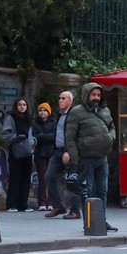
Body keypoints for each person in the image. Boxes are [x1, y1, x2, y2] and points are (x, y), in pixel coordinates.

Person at [64, 84, 117, 229]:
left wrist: (111, 137)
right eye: (93, 95)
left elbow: (112, 126)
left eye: (98, 95)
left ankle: (102, 220)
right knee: (89, 191)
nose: (96, 98)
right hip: (86, 158)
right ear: (87, 95)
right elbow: (70, 137)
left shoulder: (104, 110)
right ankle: (89, 222)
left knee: (102, 191)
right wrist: (75, 159)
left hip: (102, 157)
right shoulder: (76, 112)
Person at [44, 89, 77, 219]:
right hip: (57, 151)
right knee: (49, 176)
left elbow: (73, 134)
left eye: (63, 98)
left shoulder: (73, 115)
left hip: (68, 151)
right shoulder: (60, 115)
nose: (60, 101)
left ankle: (75, 210)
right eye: (60, 98)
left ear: (70, 101)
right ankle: (58, 205)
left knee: (72, 180)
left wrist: (68, 151)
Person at [2, 96, 37, 212]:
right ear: (16, 106)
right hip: (15, 152)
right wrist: (15, 138)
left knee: (26, 179)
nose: (22, 107)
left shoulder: (29, 119)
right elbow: (5, 135)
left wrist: (33, 141)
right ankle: (12, 204)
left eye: (24, 105)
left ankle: (23, 204)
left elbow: (32, 134)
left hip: (27, 152)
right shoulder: (11, 118)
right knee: (15, 178)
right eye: (20, 105)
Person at [31, 101, 58, 210]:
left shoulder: (54, 122)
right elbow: (35, 137)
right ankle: (42, 202)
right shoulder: (35, 123)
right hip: (40, 154)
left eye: (45, 110)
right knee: (42, 177)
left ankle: (51, 201)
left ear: (49, 112)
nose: (42, 113)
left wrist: (43, 137)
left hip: (51, 152)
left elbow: (55, 136)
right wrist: (45, 137)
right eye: (40, 111)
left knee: (51, 177)